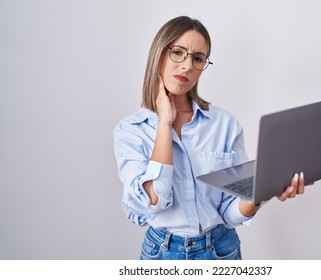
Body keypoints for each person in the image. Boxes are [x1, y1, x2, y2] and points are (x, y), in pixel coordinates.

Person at [113, 16, 306, 260]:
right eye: (178, 52)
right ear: (158, 54)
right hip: (162, 254)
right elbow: (157, 199)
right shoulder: (130, 131)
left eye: (197, 58)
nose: (187, 66)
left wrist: (261, 193)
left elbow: (229, 212)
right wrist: (164, 123)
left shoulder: (225, 125)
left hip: (221, 250)